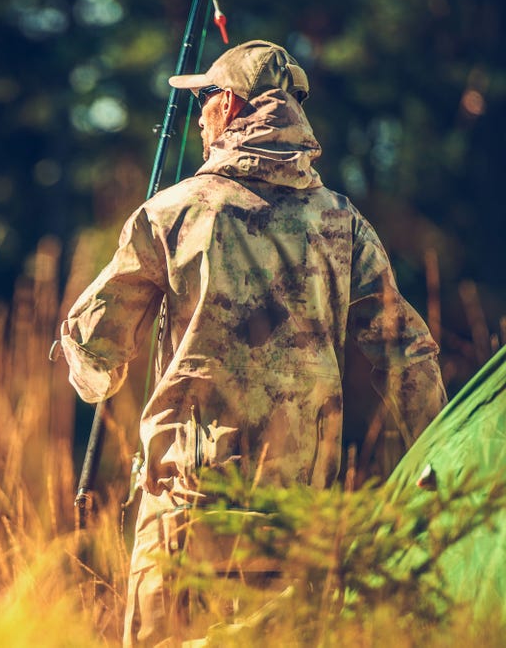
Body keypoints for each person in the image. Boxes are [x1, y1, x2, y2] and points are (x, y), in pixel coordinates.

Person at [57, 40, 446, 645]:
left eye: (208, 97)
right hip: (299, 526)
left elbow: (95, 357)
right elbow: (407, 357)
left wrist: (87, 365)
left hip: (186, 514)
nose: (203, 111)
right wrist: (438, 467)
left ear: (231, 104)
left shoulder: (173, 214)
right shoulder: (344, 223)